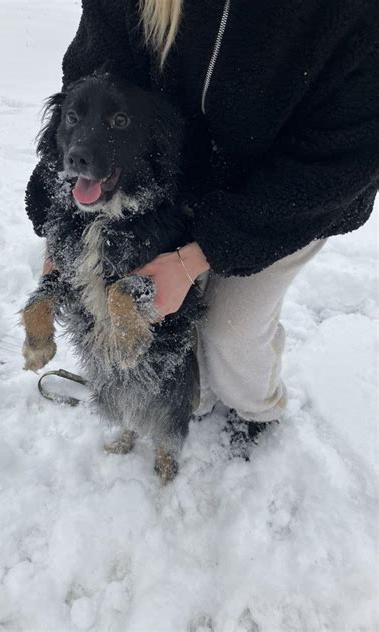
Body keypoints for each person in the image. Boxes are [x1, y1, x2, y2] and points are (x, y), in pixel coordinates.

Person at [25, 0, 378, 451]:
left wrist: (198, 255)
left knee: (229, 329)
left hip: (287, 199)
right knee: (159, 316)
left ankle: (257, 410)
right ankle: (193, 396)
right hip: (164, 181)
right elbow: (94, 69)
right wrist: (57, 214)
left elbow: (339, 159)